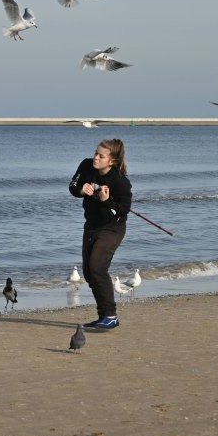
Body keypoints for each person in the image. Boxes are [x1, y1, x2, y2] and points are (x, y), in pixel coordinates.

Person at [67, 138, 132, 330]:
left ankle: (110, 315)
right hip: (92, 225)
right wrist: (80, 190)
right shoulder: (86, 165)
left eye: (101, 156)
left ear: (111, 161)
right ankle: (104, 315)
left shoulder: (120, 181)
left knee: (97, 267)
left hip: (113, 228)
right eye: (96, 153)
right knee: (88, 272)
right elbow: (72, 186)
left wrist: (106, 201)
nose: (95, 157)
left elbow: (123, 210)